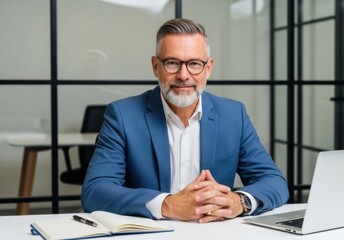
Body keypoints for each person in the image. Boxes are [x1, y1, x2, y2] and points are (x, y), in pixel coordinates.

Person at [81, 18, 289, 223]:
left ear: (208, 68)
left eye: (194, 64)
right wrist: (167, 204)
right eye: (172, 63)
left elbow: (274, 182)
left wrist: (239, 201)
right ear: (155, 66)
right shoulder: (123, 115)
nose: (183, 75)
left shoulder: (233, 115)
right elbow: (95, 191)